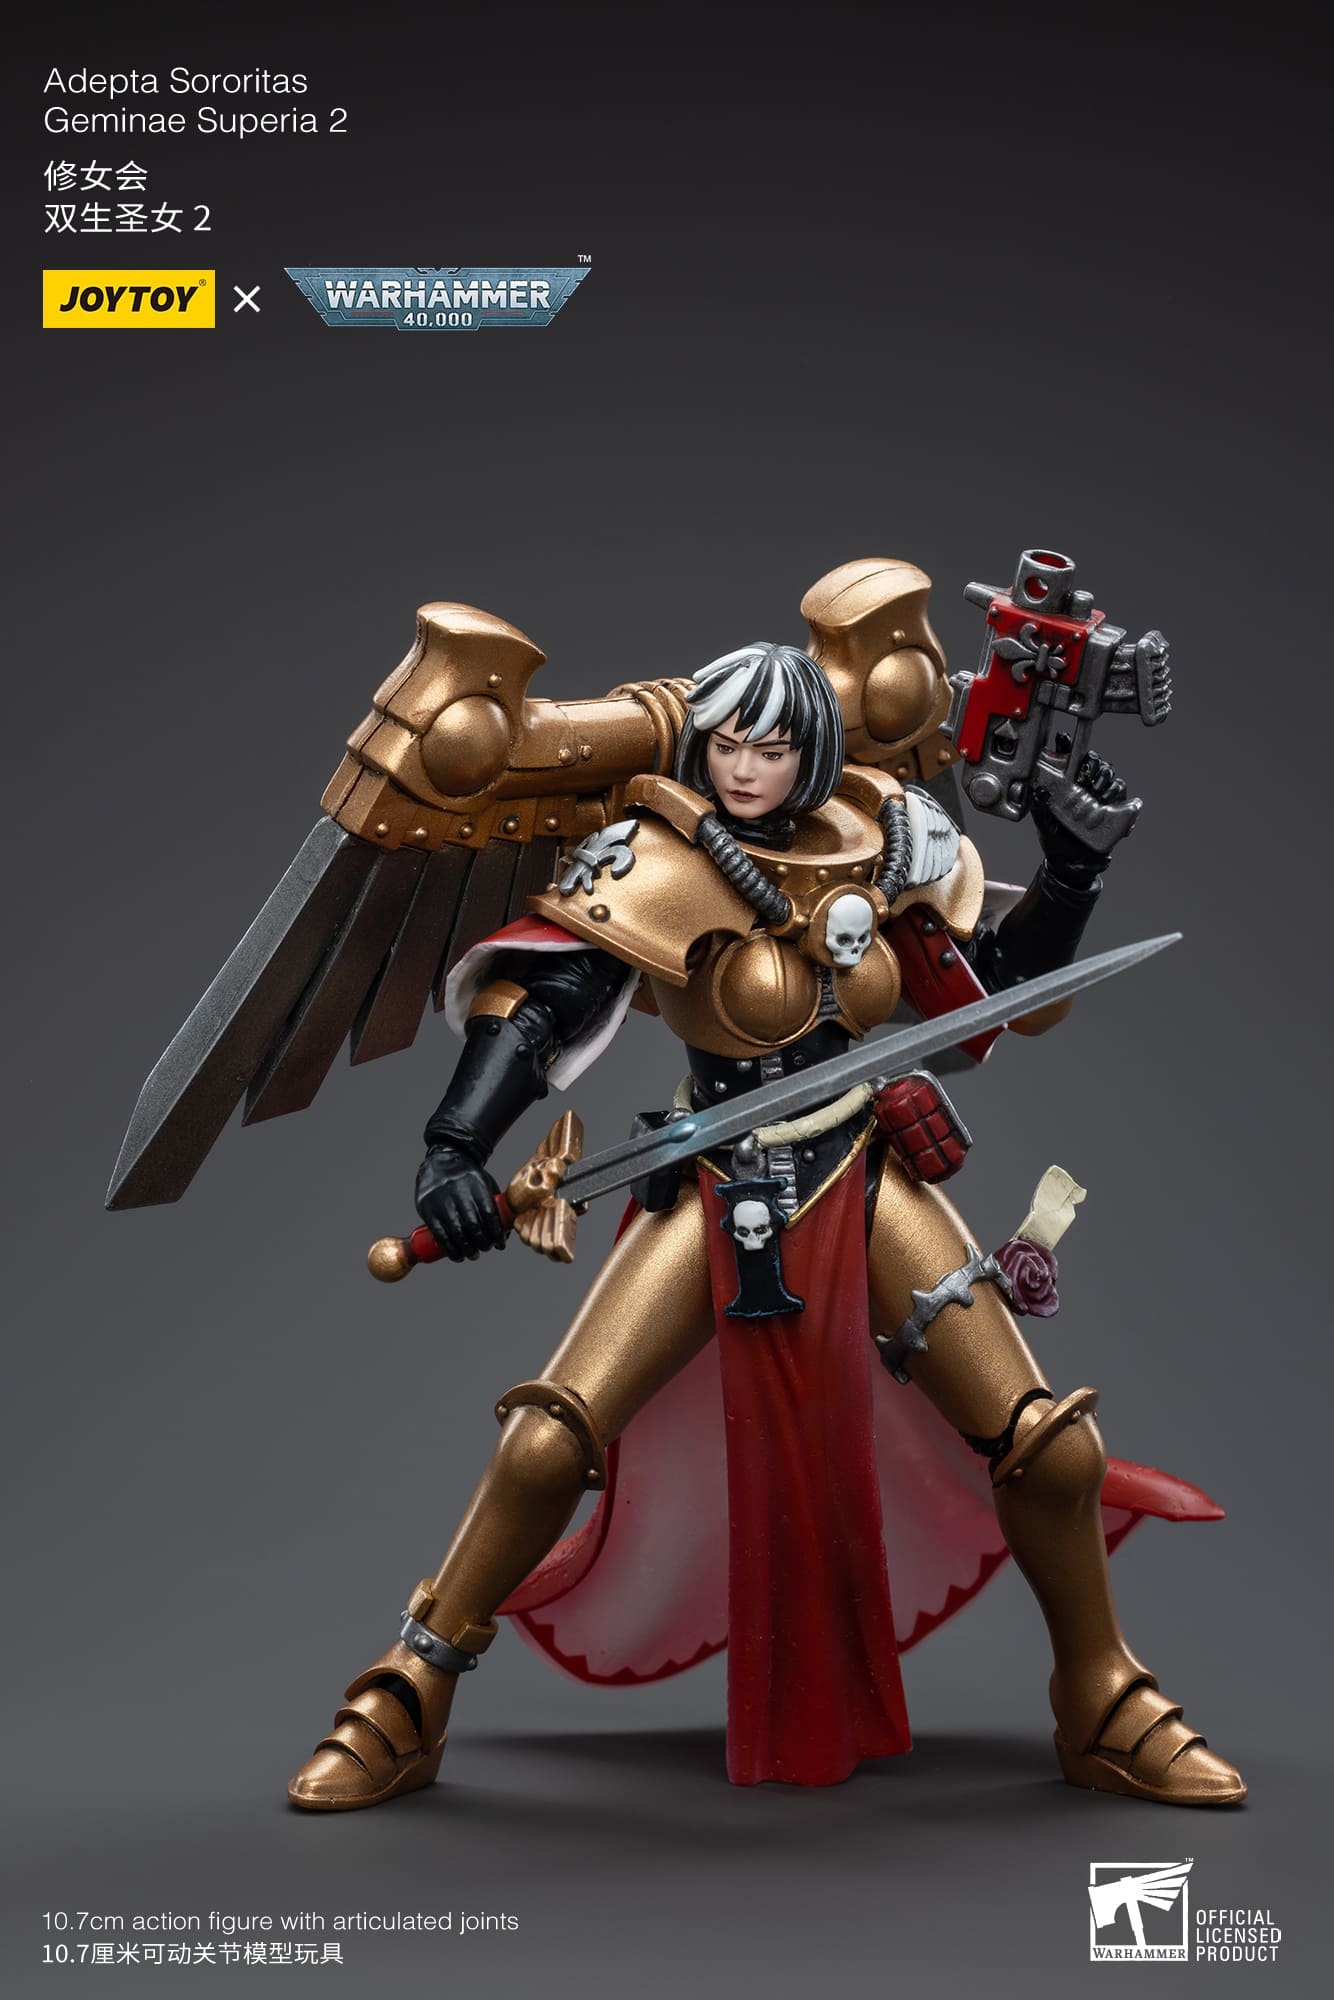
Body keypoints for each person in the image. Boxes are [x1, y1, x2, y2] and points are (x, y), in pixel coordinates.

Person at [286, 640, 1244, 1812]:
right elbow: (541, 1009)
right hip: (716, 1178)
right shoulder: (655, 858)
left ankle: (1101, 1696)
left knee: (1050, 1446)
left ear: (815, 750)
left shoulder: (884, 837)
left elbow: (981, 999)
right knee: (543, 1441)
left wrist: (1071, 875)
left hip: (859, 1165)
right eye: (726, 742)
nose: (742, 767)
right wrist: (454, 1145)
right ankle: (409, 1688)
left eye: (772, 745)